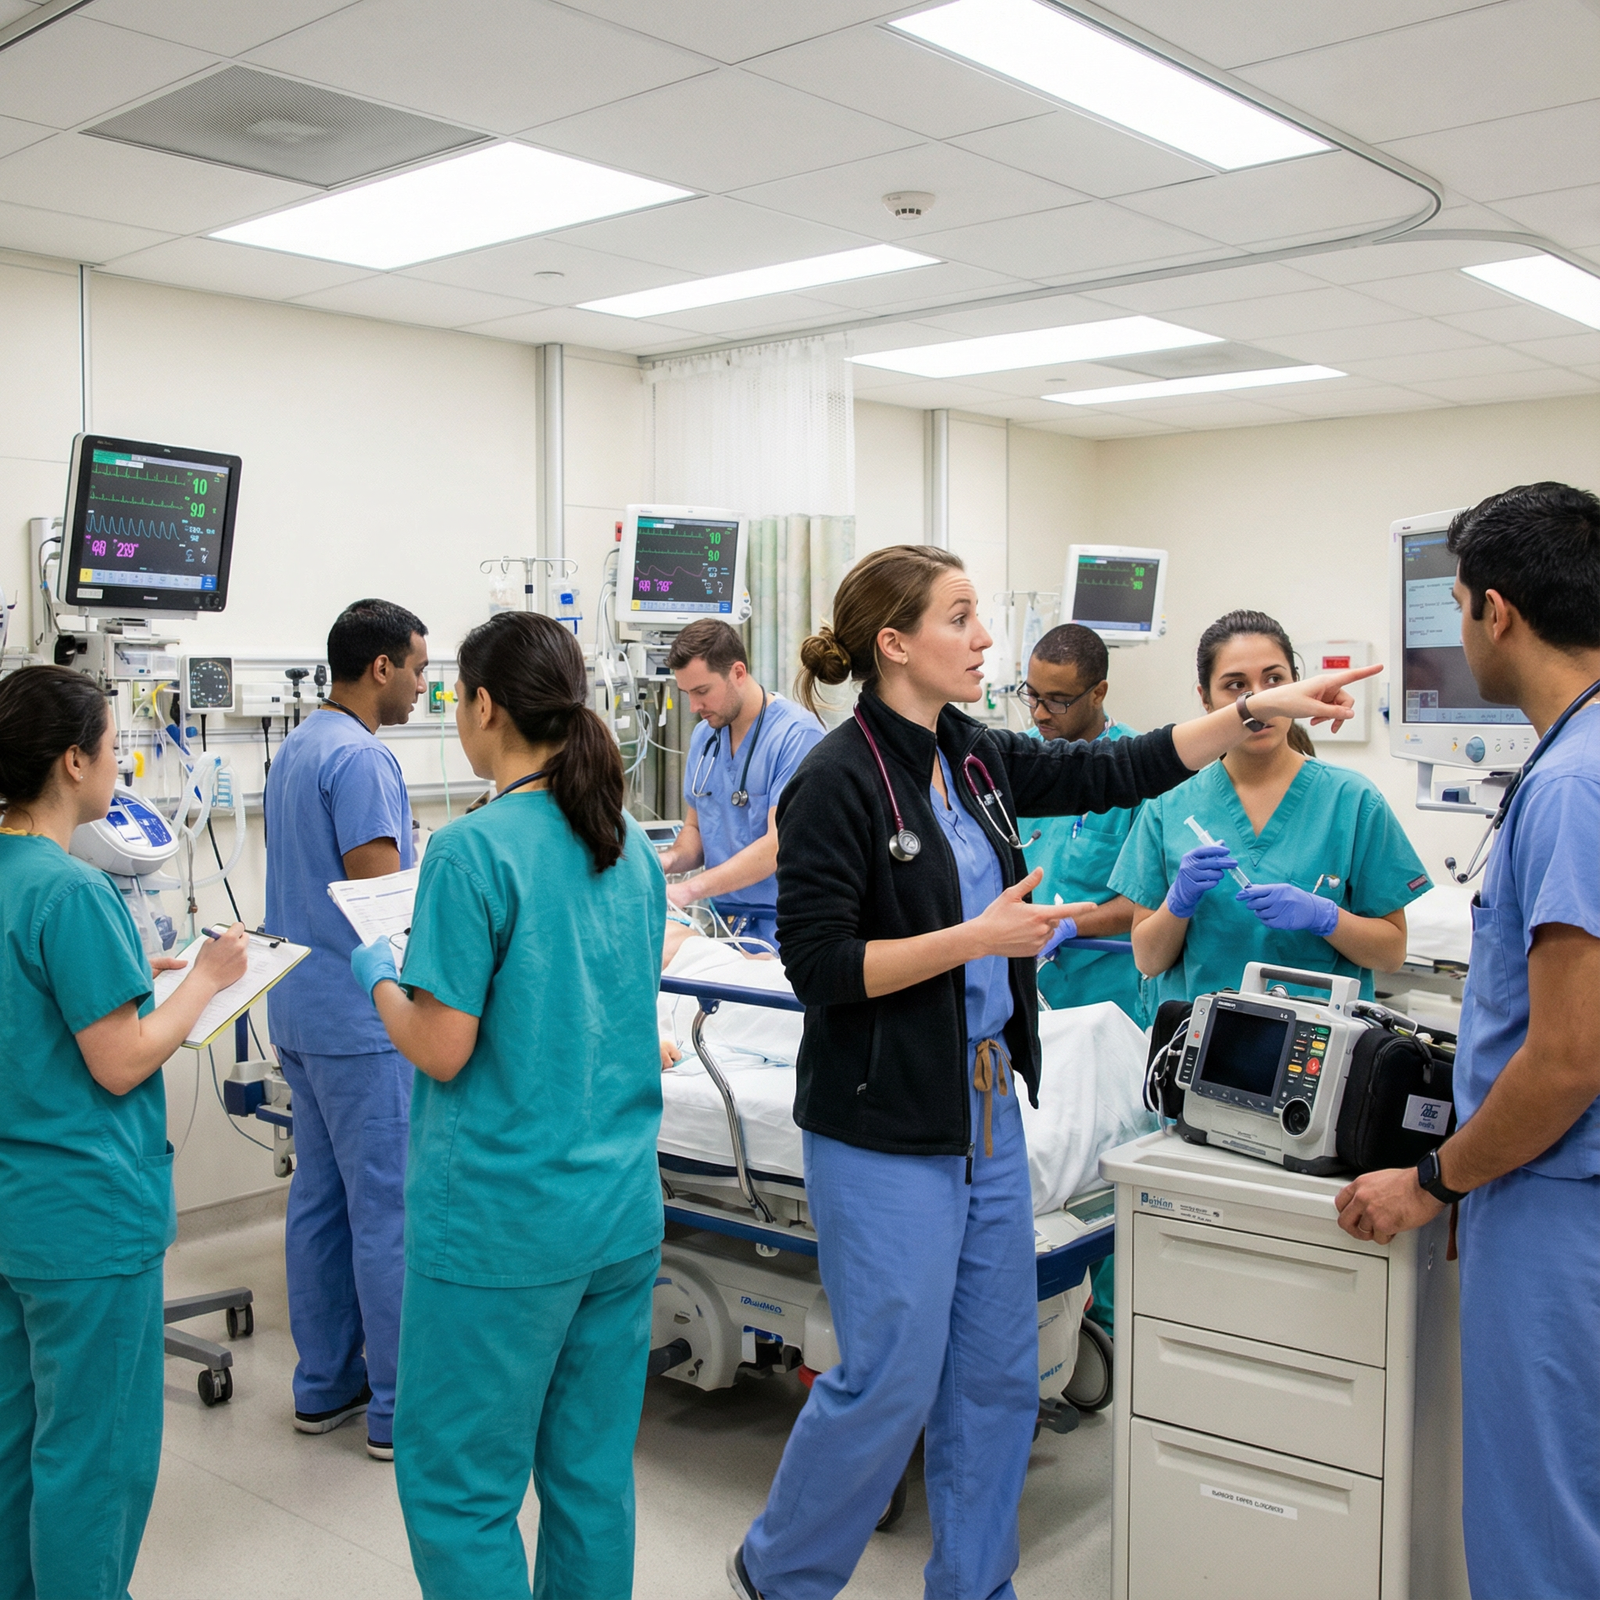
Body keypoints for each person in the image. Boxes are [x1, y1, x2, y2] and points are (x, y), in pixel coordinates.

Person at [727, 545, 1372, 1600]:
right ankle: (780, 1575)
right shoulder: (837, 778)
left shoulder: (974, 756)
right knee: (886, 1382)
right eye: (960, 617)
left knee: (994, 1376)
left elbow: (1119, 769)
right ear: (895, 644)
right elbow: (820, 968)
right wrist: (974, 939)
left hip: (987, 1108)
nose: (985, 638)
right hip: (883, 1119)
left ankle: (976, 1584)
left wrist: (1256, 711)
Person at [352, 610, 666, 1600]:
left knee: (460, 1489)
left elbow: (441, 1048)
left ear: (484, 705)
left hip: (504, 1226)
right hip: (618, 1214)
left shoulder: (472, 851)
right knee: (589, 1478)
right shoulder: (628, 845)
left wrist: (378, 976)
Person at [1334, 483, 1600, 1600]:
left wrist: (1435, 1179)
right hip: (1553, 1185)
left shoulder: (1574, 785)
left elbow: (1568, 1058)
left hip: (1559, 1199)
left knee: (1543, 1523)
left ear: (1496, 611)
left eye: (1452, 604)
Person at [0, 666, 248, 1598]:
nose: (120, 765)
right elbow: (120, 1059)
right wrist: (207, 978)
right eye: (112, 747)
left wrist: (138, 973)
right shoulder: (71, 892)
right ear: (74, 761)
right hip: (84, 1220)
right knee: (94, 1458)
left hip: (15, 1212)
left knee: (16, 1441)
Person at [264, 597, 429, 1459]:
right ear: (381, 668)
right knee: (387, 1208)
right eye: (418, 670)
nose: (423, 687)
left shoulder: (300, 746)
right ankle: (398, 1409)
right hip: (360, 1021)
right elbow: (381, 903)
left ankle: (324, 1384)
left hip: (298, 1009)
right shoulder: (362, 759)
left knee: (319, 1202)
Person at [1110, 609, 1430, 1010]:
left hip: (1317, 1041)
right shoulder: (1168, 805)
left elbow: (1391, 954)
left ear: (1297, 685)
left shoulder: (1353, 801)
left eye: (1274, 680)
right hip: (1199, 1038)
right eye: (1236, 685)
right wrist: (1178, 903)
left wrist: (1325, 916)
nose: (1259, 701)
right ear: (1206, 700)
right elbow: (1148, 960)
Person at [656, 618, 824, 950]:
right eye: (687, 694)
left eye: (702, 691)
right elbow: (696, 830)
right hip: (725, 925)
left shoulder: (797, 737)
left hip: (787, 928)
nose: (694, 707)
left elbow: (778, 846)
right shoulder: (705, 737)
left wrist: (689, 890)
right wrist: (665, 862)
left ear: (738, 672)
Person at [1015, 623, 1146, 1023]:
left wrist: (1069, 925)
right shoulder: (1017, 760)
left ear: (1098, 693)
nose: (1039, 712)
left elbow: (1148, 900)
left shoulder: (1137, 772)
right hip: (1023, 986)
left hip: (1107, 999)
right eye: (1032, 695)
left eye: (1057, 701)